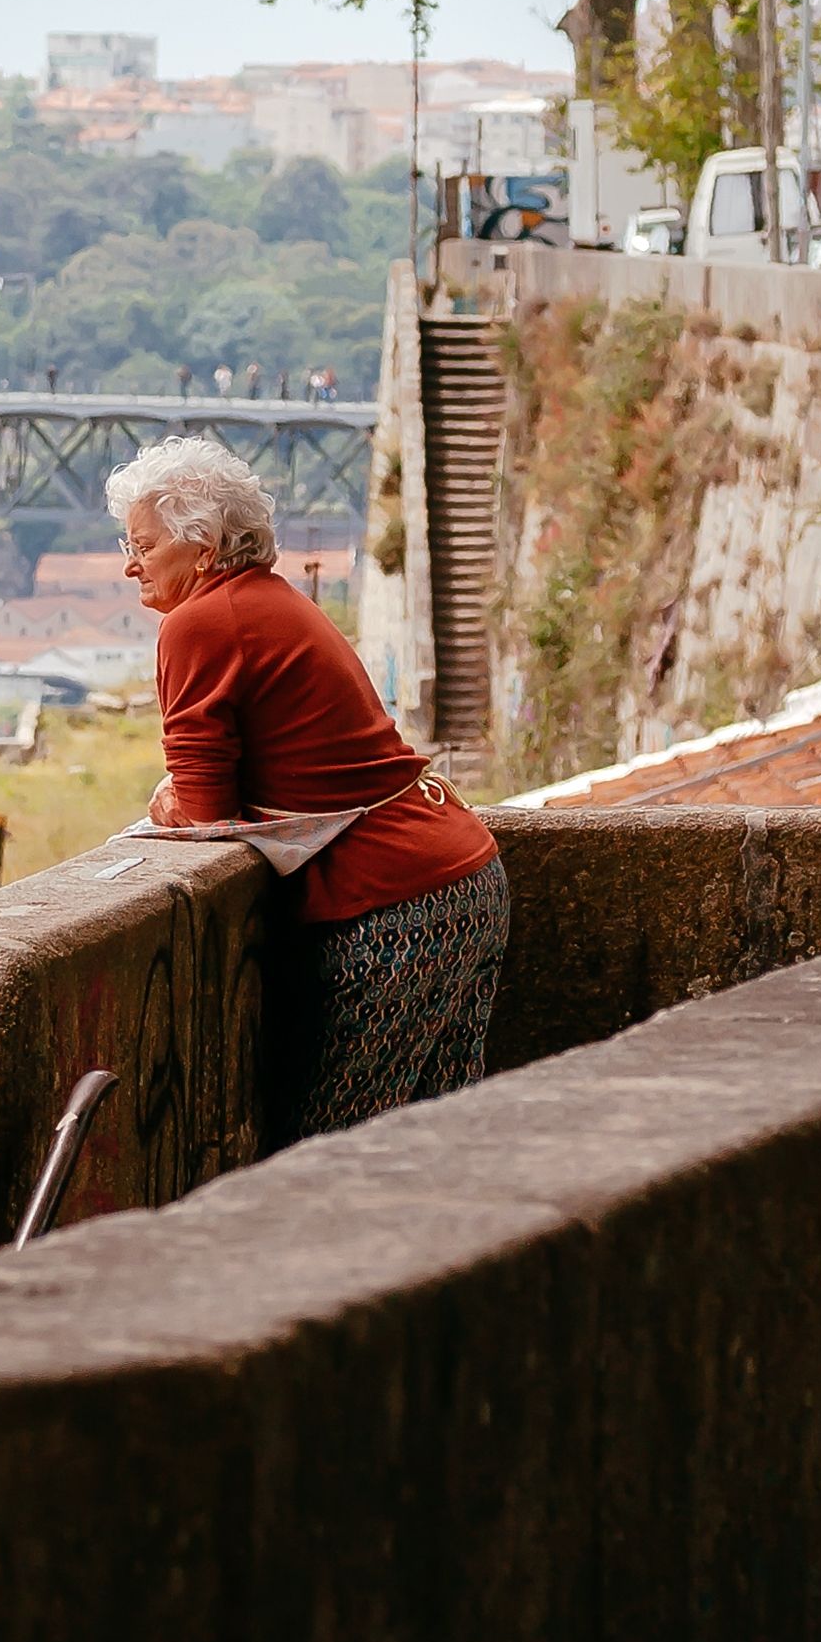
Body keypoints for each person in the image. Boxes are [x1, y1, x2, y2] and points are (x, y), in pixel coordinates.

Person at [109, 434, 506, 1138]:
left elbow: (202, 811)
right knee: (431, 1144)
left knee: (333, 1153)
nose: (129, 563)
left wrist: (166, 798)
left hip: (395, 904)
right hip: (459, 879)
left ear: (201, 549)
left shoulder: (198, 624)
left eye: (142, 544)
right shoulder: (267, 600)